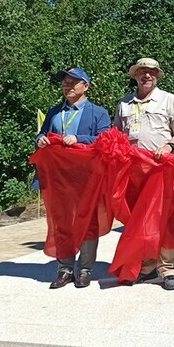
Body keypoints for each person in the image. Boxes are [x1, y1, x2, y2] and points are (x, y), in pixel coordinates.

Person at [114, 57, 174, 290]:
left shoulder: (169, 100)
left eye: (151, 72)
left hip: (161, 168)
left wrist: (169, 146)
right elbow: (116, 134)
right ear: (135, 75)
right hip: (133, 171)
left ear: (158, 76)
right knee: (138, 218)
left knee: (164, 217)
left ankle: (168, 268)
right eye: (142, 72)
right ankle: (145, 266)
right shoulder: (124, 104)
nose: (147, 76)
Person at [36, 67, 111, 289]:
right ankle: (65, 268)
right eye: (65, 82)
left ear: (85, 86)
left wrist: (79, 138)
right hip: (59, 178)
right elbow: (42, 133)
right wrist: (40, 140)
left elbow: (105, 140)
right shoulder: (54, 112)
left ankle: (85, 269)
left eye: (73, 82)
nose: (67, 86)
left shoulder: (98, 113)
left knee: (87, 221)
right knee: (62, 222)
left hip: (86, 177)